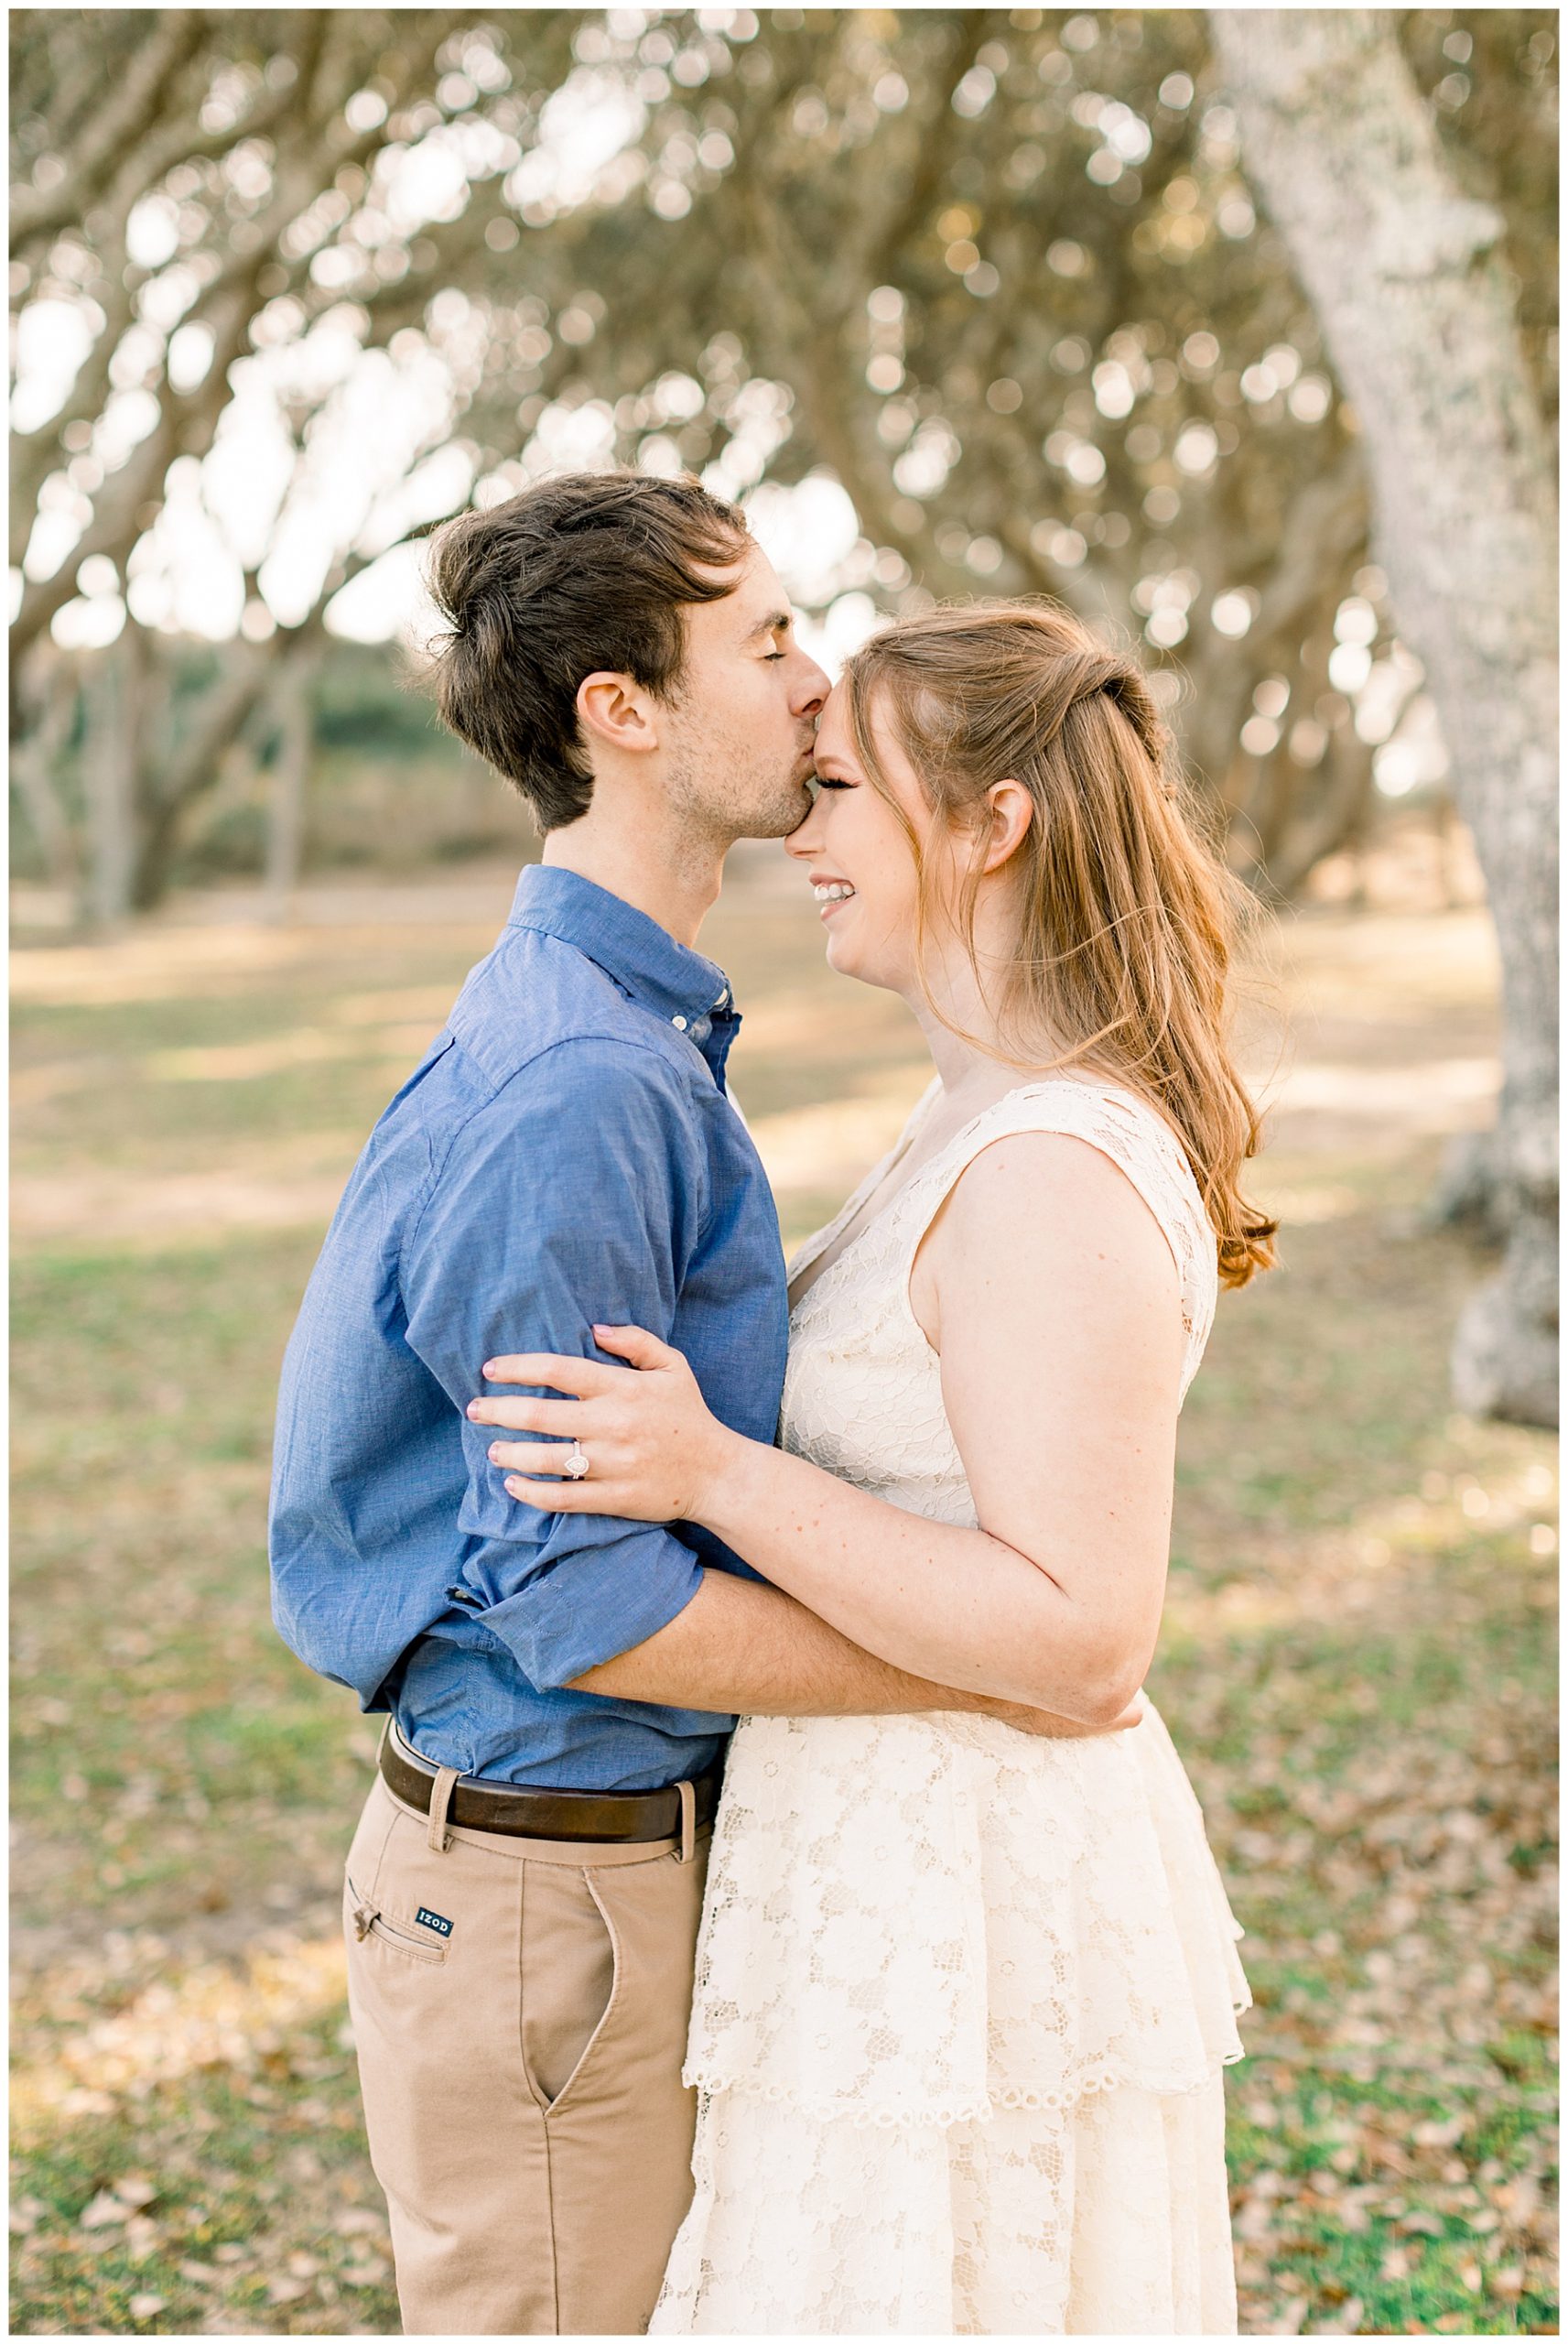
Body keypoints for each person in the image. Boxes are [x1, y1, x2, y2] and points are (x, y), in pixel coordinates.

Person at [268, 477, 1131, 2339]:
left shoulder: (635, 1033)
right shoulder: (581, 1082)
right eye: (767, 642)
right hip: (548, 1896)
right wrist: (985, 1671)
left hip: (609, 1876)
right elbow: (579, 1601)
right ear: (623, 711)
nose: (817, 685)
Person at [468, 601, 1277, 2335]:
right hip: (881, 1879)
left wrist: (709, 1473)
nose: (801, 833)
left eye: (838, 790)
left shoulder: (1050, 1166)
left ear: (992, 825)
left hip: (970, 1905)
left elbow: (1083, 1638)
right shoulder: (968, 1113)